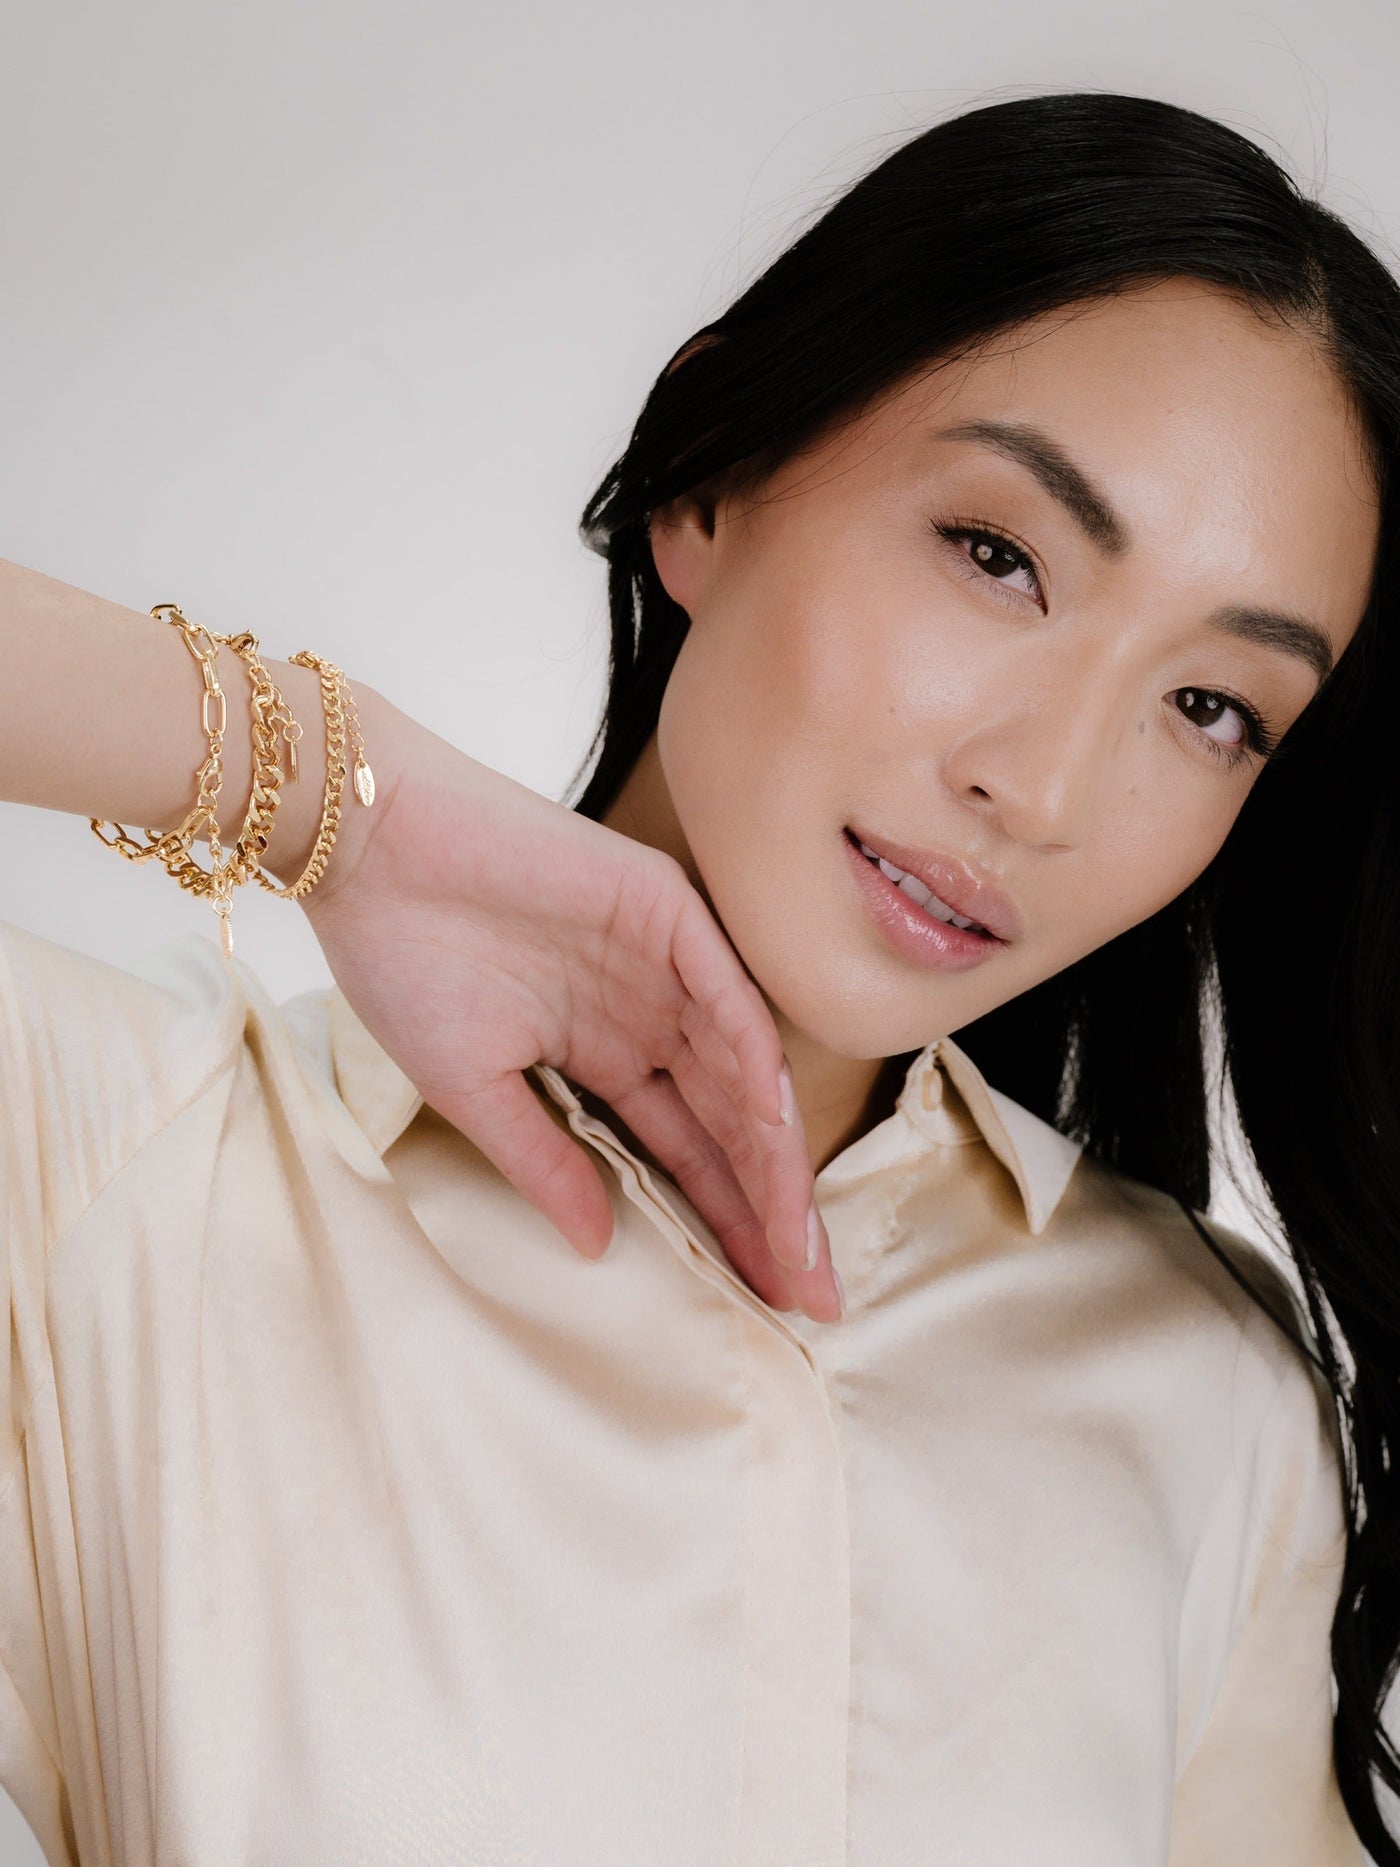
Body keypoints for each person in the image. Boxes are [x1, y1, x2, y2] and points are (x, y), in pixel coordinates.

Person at [1, 86, 1396, 1865]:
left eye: (1212, 708)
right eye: (998, 555)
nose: (1040, 791)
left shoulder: (1206, 1400)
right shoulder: (109, 1177)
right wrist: (329, 794)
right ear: (708, 479)